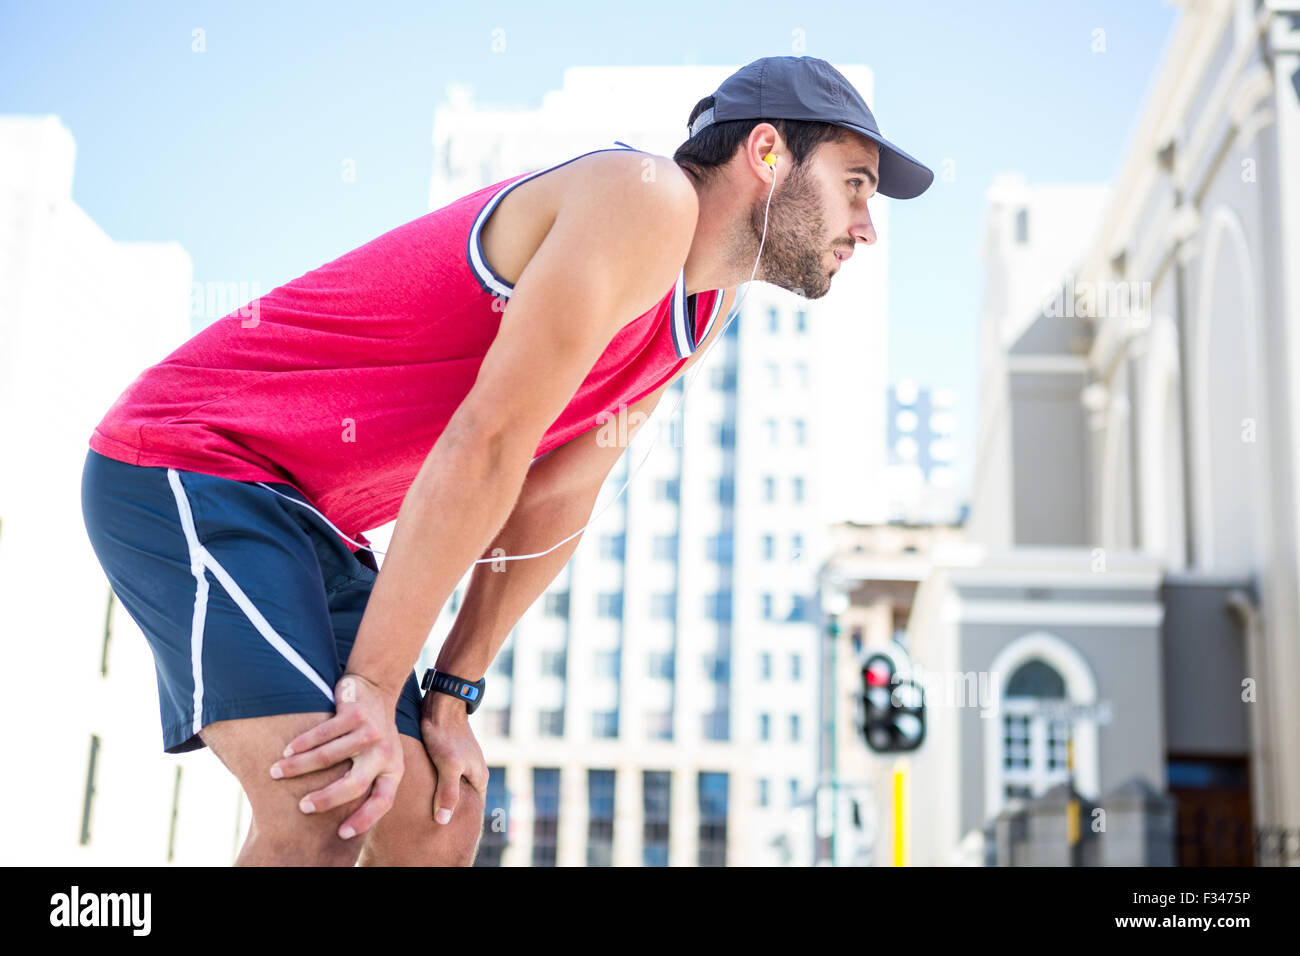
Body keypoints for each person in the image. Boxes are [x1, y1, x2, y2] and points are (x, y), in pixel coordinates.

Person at [80, 55, 932, 866]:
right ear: (769, 153)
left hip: (309, 519)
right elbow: (488, 441)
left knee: (433, 826)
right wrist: (373, 688)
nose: (866, 225)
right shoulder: (645, 200)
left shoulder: (705, 307)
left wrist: (453, 690)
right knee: (334, 798)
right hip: (190, 463)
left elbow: (560, 491)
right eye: (853, 185)